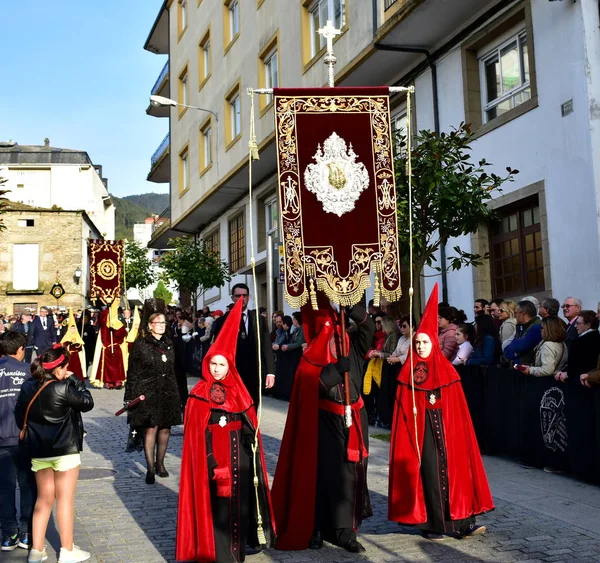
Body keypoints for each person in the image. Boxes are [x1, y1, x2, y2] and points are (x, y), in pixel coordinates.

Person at [389, 284, 494, 541]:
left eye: (426, 342)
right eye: (418, 343)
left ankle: (463, 522)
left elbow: (458, 411)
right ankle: (433, 524)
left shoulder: (449, 373)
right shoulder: (407, 376)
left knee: (457, 473)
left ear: (434, 343)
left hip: (448, 432)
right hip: (423, 434)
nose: (422, 347)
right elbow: (403, 412)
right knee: (431, 476)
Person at [176, 298, 275, 563]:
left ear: (229, 365)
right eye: (213, 364)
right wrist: (209, 460)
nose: (217, 370)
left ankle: (238, 550)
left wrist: (248, 432)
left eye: (222, 365)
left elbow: (249, 421)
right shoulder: (198, 395)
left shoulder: (239, 391)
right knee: (217, 508)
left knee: (239, 505)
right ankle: (217, 552)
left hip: (239, 460)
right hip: (213, 461)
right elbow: (195, 433)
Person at [271, 299, 374, 553]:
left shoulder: (353, 347)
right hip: (326, 420)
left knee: (350, 475)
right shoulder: (310, 358)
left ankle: (345, 531)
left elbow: (368, 328)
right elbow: (310, 388)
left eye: (337, 334)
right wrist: (335, 371)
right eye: (329, 334)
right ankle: (316, 528)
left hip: (355, 418)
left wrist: (350, 308)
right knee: (323, 474)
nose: (335, 340)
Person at [15, 344, 94, 563]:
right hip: (65, 450)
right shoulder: (65, 387)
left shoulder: (28, 387)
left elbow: (19, 414)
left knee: (43, 500)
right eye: (66, 366)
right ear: (59, 368)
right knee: (65, 500)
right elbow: (87, 402)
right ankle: (67, 550)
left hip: (39, 450)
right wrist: (76, 380)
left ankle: (36, 550)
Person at [124, 312, 182, 484]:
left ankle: (160, 463)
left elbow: (176, 370)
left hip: (168, 391)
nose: (162, 325)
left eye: (163, 322)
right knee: (151, 428)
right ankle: (150, 467)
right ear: (149, 325)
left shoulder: (170, 344)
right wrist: (129, 396)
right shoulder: (141, 345)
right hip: (148, 392)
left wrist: (181, 395)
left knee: (165, 428)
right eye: (157, 322)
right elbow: (133, 372)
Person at [0, 332, 36, 552]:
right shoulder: (26, 371)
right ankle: (26, 532)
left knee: (4, 487)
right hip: (22, 437)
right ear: (21, 349)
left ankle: (7, 534)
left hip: (1, 439)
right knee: (26, 485)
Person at [211, 284, 275, 407]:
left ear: (249, 297)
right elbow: (217, 350)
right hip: (232, 373)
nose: (242, 298)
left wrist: (270, 372)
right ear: (232, 298)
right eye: (238, 295)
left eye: (244, 295)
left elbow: (266, 346)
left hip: (254, 373)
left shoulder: (258, 320)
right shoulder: (222, 321)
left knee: (252, 407)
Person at [89, 301, 127, 389]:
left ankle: (118, 380)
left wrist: (116, 327)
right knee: (108, 366)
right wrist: (107, 311)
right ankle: (109, 381)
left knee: (118, 366)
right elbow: (102, 324)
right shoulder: (104, 322)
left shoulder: (119, 319)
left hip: (117, 346)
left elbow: (122, 333)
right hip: (107, 346)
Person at [503, 300, 542, 365]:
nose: (515, 316)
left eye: (516, 313)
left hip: (528, 369)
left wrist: (514, 350)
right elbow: (508, 348)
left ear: (523, 314)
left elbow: (520, 346)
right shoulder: (521, 326)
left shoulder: (536, 328)